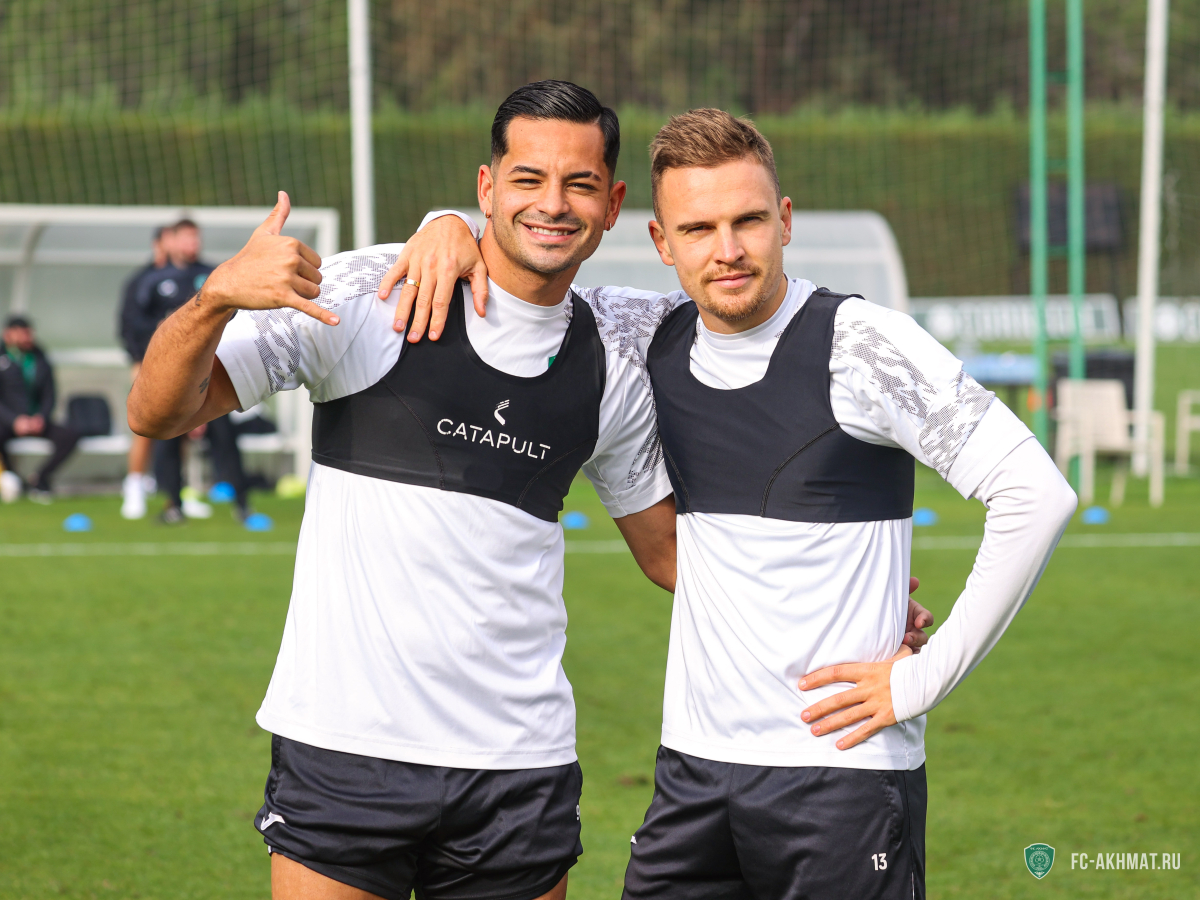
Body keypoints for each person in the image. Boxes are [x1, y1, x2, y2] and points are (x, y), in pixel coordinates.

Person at [129, 83, 931, 900]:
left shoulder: (615, 352)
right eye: (527, 179)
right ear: (486, 187)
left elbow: (671, 555)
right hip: (343, 749)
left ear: (613, 204)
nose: (553, 204)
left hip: (519, 768)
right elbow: (156, 413)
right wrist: (213, 299)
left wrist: (849, 608)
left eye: (580, 184)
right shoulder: (368, 293)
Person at [400, 108, 1077, 900]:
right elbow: (525, 272)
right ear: (662, 243)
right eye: (697, 229)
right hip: (693, 773)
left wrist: (921, 683)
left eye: (747, 221)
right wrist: (446, 223)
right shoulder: (641, 336)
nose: (726, 250)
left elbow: (1035, 493)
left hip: (840, 774)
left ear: (784, 221)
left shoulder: (862, 344)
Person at [0, 315, 80, 502]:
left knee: (69, 436)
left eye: (29, 333)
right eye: (22, 334)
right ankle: (12, 478)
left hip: (36, 421)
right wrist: (14, 421)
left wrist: (41, 417)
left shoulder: (40, 357)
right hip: (8, 422)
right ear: (9, 335)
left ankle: (40, 478)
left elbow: (49, 394)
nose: (28, 338)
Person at [118, 225, 168, 519]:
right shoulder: (141, 281)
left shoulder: (192, 276)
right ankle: (134, 486)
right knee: (144, 425)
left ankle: (176, 492)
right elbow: (127, 325)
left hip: (181, 366)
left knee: (184, 425)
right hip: (146, 362)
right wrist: (140, 359)